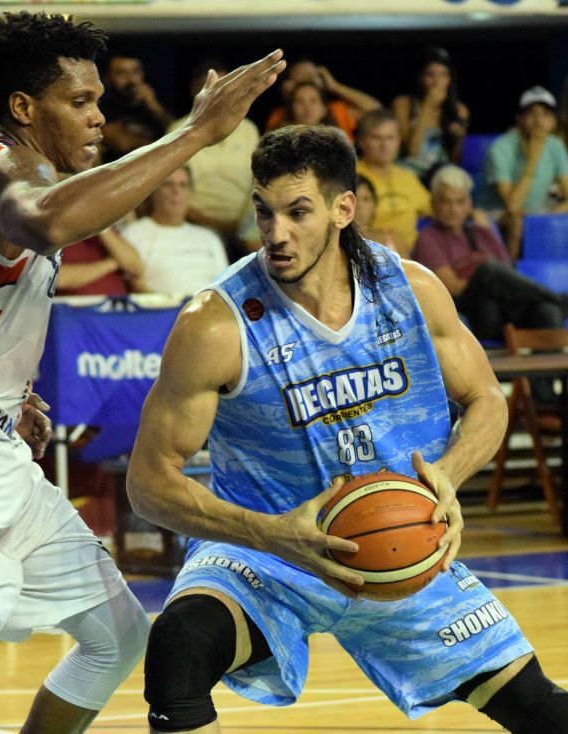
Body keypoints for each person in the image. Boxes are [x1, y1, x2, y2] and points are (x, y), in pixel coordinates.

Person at [0, 11, 285, 732]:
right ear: (23, 107)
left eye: (98, 100)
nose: (98, 117)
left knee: (118, 637)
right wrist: (195, 134)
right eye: (79, 101)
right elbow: (47, 220)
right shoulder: (5, 175)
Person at [126, 124, 567, 734]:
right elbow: (148, 483)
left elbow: (487, 399)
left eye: (297, 212)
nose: (275, 233)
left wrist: (447, 476)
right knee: (180, 646)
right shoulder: (217, 323)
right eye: (264, 211)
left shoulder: (411, 291)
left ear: (343, 209)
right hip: (266, 552)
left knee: (542, 709)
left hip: (400, 543)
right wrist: (270, 533)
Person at [414, 164, 566, 343]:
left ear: (470, 204)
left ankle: (556, 313)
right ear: (433, 204)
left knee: (548, 310)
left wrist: (486, 232)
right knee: (488, 270)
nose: (454, 209)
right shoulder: (428, 238)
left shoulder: (480, 230)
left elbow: (508, 272)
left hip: (503, 307)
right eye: (446, 202)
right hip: (470, 310)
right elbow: (453, 288)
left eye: (460, 202)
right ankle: (561, 299)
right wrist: (487, 281)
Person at [166, 60, 261, 242]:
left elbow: (259, 183)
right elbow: (171, 191)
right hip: (196, 228)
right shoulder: (177, 131)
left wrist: (244, 229)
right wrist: (216, 227)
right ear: (195, 91)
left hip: (246, 230)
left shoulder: (249, 129)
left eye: (226, 87)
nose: (220, 95)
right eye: (212, 88)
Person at [478, 86, 568, 259]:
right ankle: (511, 271)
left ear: (553, 121)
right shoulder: (500, 148)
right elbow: (512, 206)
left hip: (535, 212)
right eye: (532, 114)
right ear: (519, 119)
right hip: (495, 214)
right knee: (516, 219)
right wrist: (532, 161)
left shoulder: (555, 145)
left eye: (545, 114)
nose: (539, 121)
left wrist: (543, 219)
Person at [123, 167, 229, 295]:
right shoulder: (134, 233)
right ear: (153, 191)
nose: (176, 191)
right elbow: (136, 286)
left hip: (209, 306)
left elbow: (225, 287)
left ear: (190, 193)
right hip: (159, 306)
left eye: (183, 185)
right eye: (168, 184)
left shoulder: (209, 238)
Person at [356, 107, 432, 257]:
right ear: (362, 142)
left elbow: (435, 210)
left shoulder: (407, 177)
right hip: (372, 256)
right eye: (376, 138)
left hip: (414, 256)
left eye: (390, 138)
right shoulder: (351, 177)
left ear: (398, 142)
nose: (384, 145)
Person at [391, 46, 470, 185]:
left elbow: (454, 161)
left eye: (443, 75)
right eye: (430, 75)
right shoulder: (403, 104)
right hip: (409, 171)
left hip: (441, 175)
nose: (437, 81)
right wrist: (427, 107)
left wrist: (458, 139)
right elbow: (411, 152)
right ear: (420, 77)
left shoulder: (459, 110)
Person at [264, 59, 380, 139]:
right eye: (301, 74)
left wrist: (334, 86)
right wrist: (288, 95)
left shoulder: (337, 110)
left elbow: (376, 111)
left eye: (312, 75)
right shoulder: (280, 115)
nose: (307, 107)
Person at [100, 48, 174, 160]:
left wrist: (155, 107)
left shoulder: (155, 105)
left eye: (135, 71)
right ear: (108, 78)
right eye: (121, 73)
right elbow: (122, 143)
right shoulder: (103, 107)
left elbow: (176, 130)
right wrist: (164, 146)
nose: (130, 79)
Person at [56, 226, 144, 296]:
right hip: (74, 309)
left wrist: (102, 229)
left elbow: (135, 267)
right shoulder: (56, 232)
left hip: (118, 307)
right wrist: (112, 263)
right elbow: (59, 279)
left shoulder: (105, 231)